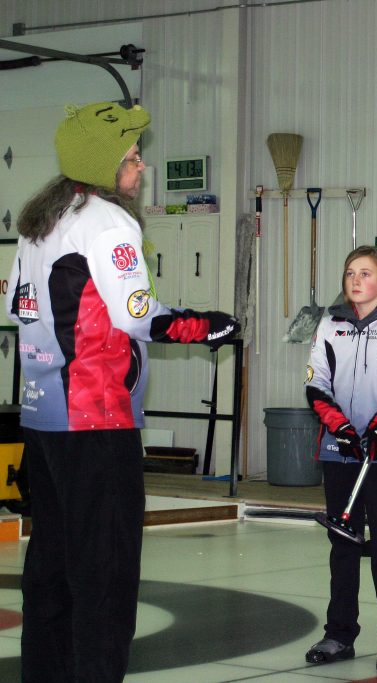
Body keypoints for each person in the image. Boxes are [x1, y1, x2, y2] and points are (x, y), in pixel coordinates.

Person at [5, 101, 238, 683]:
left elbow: (18, 305)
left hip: (44, 420)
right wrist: (206, 324)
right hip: (97, 419)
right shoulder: (108, 221)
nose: (140, 169)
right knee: (104, 577)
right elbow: (139, 316)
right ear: (105, 167)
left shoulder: (39, 222)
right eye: (132, 159)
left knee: (52, 569)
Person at [303, 245, 377, 672]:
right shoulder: (329, 324)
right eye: (350, 272)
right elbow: (316, 382)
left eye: (366, 273)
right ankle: (339, 633)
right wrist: (339, 426)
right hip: (338, 451)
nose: (356, 280)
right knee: (342, 543)